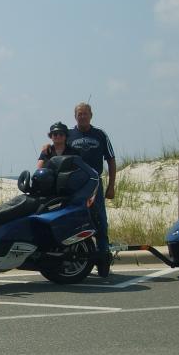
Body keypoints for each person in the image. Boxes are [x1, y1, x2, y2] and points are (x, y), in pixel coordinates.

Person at [66, 102, 116, 277]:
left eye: (85, 113)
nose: (82, 116)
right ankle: (77, 259)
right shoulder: (69, 135)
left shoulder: (100, 135)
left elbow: (111, 160)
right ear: (75, 116)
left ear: (91, 115)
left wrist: (111, 186)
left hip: (95, 184)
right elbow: (57, 152)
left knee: (100, 220)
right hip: (75, 185)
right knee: (74, 221)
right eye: (79, 114)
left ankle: (103, 260)